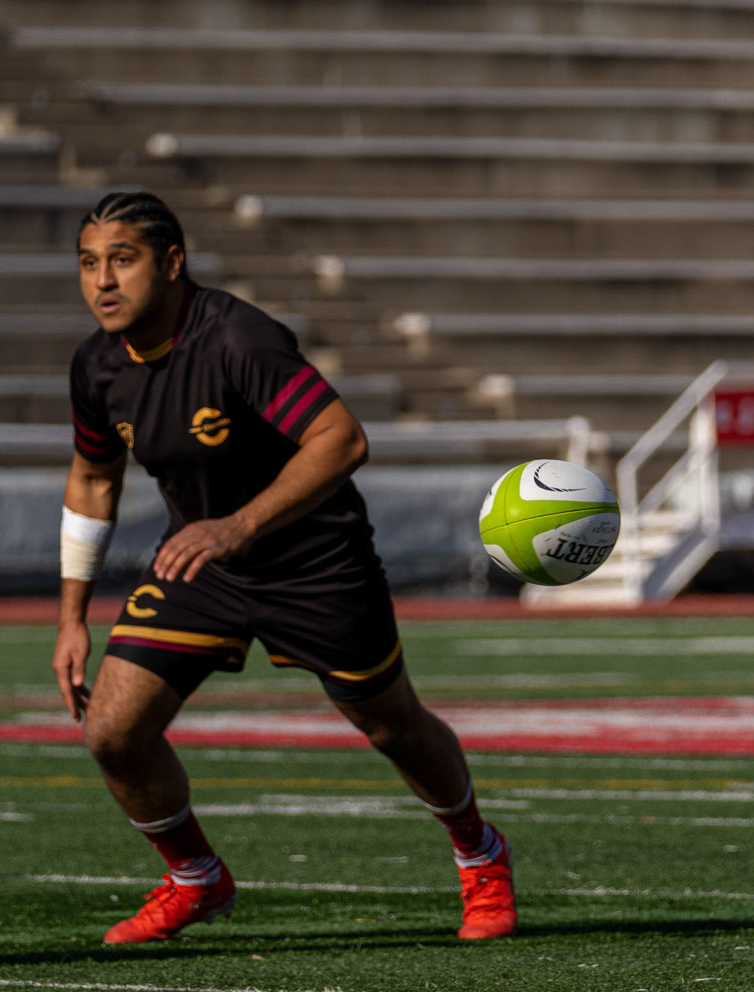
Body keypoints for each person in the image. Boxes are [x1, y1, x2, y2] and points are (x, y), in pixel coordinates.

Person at [54, 191, 516, 944]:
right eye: (88, 263)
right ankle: (195, 877)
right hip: (203, 566)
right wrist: (71, 616)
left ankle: (480, 851)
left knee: (393, 725)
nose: (103, 281)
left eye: (123, 260)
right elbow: (94, 478)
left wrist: (238, 525)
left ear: (172, 264)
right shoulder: (97, 364)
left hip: (315, 562)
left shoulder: (239, 337)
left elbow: (342, 439)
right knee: (112, 730)